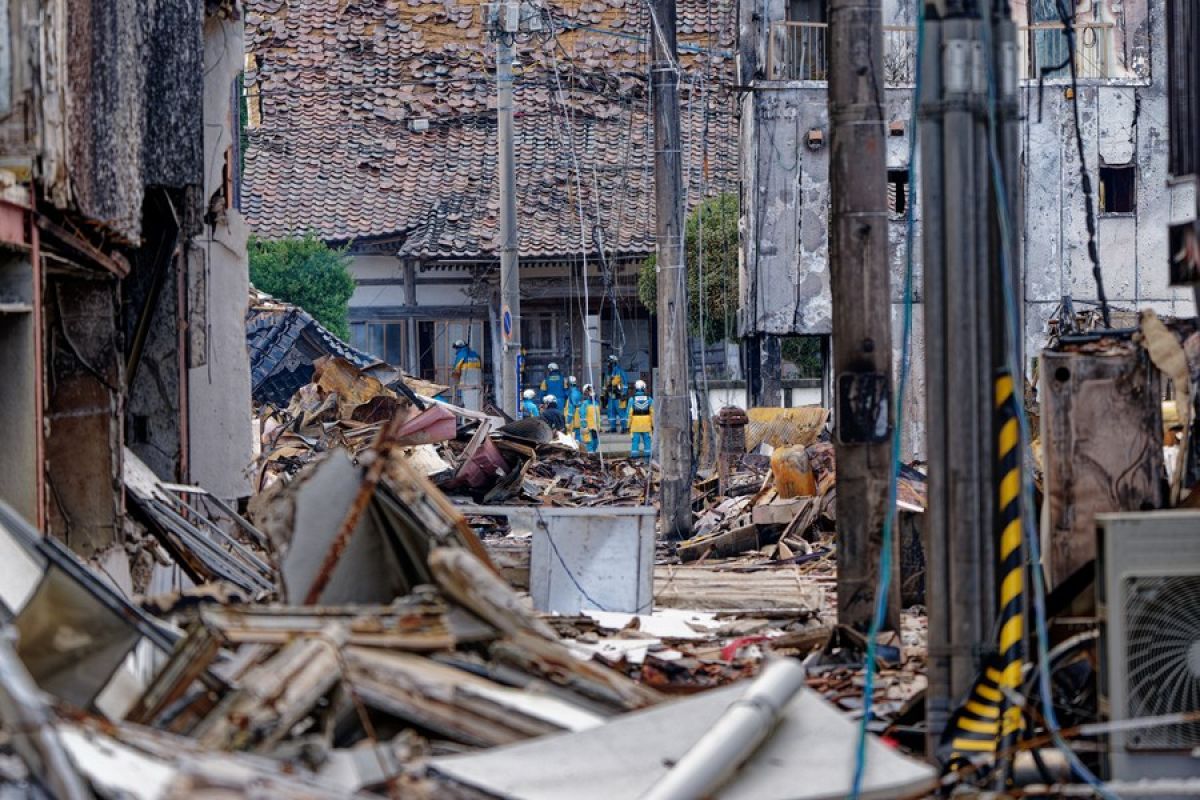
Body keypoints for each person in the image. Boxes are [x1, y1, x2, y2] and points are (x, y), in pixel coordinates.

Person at [452, 339, 483, 410]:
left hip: (465, 385)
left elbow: (456, 371)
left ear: (459, 348)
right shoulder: (475, 354)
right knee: (475, 407)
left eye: (456, 348)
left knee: (464, 408)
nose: (456, 350)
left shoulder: (461, 355)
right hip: (476, 386)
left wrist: (454, 378)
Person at [628, 379, 653, 462]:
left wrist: (628, 425)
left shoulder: (632, 400)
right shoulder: (649, 399)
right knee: (647, 442)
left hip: (635, 425)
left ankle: (635, 461)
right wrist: (653, 425)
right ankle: (647, 461)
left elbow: (629, 414)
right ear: (644, 388)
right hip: (646, 424)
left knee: (635, 442)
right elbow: (653, 413)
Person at [602, 355, 629, 433]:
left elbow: (625, 383)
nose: (608, 364)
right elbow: (605, 385)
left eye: (609, 362)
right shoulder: (608, 373)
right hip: (610, 397)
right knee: (610, 412)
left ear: (614, 362)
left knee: (621, 412)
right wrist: (604, 395)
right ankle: (613, 428)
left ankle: (624, 428)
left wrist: (624, 394)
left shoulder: (620, 371)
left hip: (619, 397)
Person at [579, 384, 602, 453]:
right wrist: (584, 426)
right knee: (590, 444)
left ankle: (592, 455)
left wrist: (599, 426)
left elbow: (598, 416)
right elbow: (582, 416)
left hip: (595, 428)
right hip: (588, 428)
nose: (592, 392)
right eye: (589, 390)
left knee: (595, 443)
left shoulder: (596, 403)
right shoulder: (585, 404)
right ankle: (590, 458)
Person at [565, 376, 584, 443]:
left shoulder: (573, 394)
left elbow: (572, 408)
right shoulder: (576, 392)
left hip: (574, 417)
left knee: (574, 435)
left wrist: (568, 421)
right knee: (577, 434)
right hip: (577, 416)